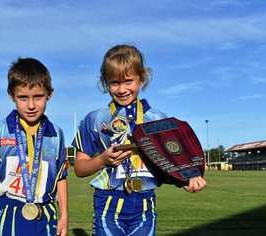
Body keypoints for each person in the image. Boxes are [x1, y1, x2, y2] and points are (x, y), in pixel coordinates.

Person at [72, 44, 206, 236]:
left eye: (128, 81)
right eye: (114, 82)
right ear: (105, 82)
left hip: (145, 203)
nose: (122, 89)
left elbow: (172, 160)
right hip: (108, 203)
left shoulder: (159, 119)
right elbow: (79, 168)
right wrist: (101, 160)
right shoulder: (94, 119)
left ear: (142, 79)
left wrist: (188, 178)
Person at [0, 58, 68, 236]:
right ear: (12, 95)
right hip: (7, 213)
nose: (31, 105)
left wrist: (64, 215)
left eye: (38, 97)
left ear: (49, 94)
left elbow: (61, 179)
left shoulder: (56, 134)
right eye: (23, 97)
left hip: (45, 213)